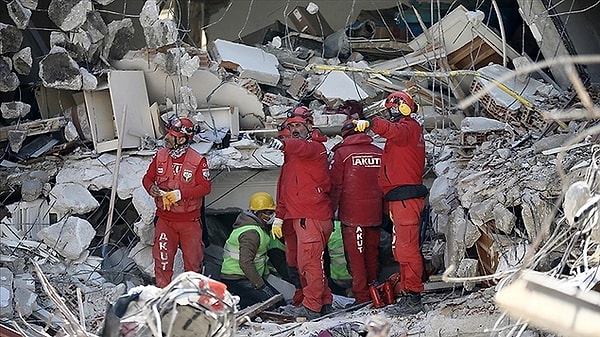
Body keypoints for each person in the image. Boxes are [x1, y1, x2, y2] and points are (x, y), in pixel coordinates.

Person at [353, 90, 428, 315]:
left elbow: (390, 130)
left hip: (405, 198)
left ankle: (413, 297)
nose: (391, 113)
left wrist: (372, 123)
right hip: (400, 199)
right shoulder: (405, 132)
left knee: (406, 250)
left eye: (393, 109)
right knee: (402, 250)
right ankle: (408, 293)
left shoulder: (408, 128)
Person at [268, 106, 334, 320]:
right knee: (305, 263)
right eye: (291, 126)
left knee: (310, 264)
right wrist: (279, 216)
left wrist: (285, 142)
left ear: (309, 125)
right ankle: (322, 302)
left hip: (311, 216)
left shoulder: (315, 148)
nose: (294, 129)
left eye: (298, 125)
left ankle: (312, 306)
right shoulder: (292, 158)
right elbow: (285, 188)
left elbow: (301, 147)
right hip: (299, 216)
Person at [142, 116, 212, 288]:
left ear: (182, 139)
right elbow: (147, 178)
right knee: (162, 262)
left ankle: (192, 302)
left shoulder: (198, 161)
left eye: (171, 135)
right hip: (165, 221)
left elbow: (205, 187)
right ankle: (162, 299)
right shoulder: (160, 156)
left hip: (190, 222)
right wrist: (152, 189)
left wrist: (180, 194)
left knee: (193, 265)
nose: (166, 138)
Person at [329, 119, 384, 304]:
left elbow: (336, 185)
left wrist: (331, 211)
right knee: (372, 254)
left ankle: (362, 298)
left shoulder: (342, 154)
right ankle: (374, 292)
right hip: (375, 215)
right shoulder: (379, 152)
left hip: (352, 218)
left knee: (356, 258)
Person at [220, 192, 286, 309]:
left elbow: (259, 257)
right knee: (274, 306)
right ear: (258, 213)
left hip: (245, 278)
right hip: (237, 279)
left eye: (272, 212)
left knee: (279, 303)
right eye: (268, 213)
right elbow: (245, 263)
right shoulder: (251, 233)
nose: (272, 216)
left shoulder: (255, 228)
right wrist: (260, 285)